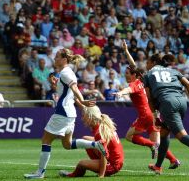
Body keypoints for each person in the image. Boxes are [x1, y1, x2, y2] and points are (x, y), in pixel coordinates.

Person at [24, 48, 106, 179]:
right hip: (70, 113)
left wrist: (83, 101)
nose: (55, 59)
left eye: (57, 57)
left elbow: (74, 89)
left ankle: (40, 172)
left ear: (64, 59)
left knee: (46, 140)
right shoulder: (68, 73)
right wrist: (57, 85)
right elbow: (67, 91)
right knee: (67, 144)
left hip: (62, 112)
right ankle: (96, 145)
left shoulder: (65, 73)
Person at [114, 40, 180, 169]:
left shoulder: (134, 84)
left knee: (129, 136)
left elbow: (129, 89)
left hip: (145, 115)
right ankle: (173, 160)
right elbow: (133, 66)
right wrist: (126, 51)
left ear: (134, 75)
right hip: (154, 115)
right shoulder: (143, 79)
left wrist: (121, 92)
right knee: (158, 143)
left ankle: (151, 146)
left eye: (127, 73)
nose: (125, 75)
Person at [143, 54, 189, 174]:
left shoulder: (148, 75)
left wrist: (155, 116)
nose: (146, 65)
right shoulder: (173, 71)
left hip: (167, 102)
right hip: (182, 101)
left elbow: (149, 99)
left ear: (153, 63)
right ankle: (158, 166)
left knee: (181, 135)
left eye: (147, 62)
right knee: (164, 133)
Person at [59, 106, 124, 178]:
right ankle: (98, 164)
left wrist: (101, 175)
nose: (82, 118)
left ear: (90, 116)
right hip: (116, 162)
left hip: (113, 165)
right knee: (86, 139)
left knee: (81, 163)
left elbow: (104, 154)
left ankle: (72, 175)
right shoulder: (102, 126)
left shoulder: (99, 132)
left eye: (84, 116)